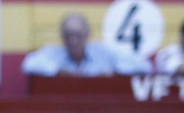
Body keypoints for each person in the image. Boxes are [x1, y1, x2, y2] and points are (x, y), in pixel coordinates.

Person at [21, 12, 151, 76]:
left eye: (78, 35)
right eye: (68, 35)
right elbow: (28, 64)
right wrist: (59, 71)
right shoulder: (54, 52)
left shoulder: (103, 50)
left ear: (87, 34)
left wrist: (113, 72)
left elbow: (144, 65)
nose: (73, 40)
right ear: (61, 36)